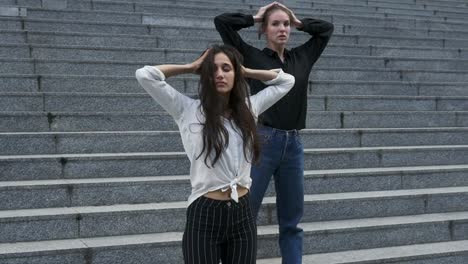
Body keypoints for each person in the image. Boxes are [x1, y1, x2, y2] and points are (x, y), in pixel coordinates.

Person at [135, 45, 295, 264]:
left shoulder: (250, 107)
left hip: (242, 215)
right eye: (212, 69)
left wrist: (246, 71)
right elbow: (145, 75)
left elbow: (287, 80)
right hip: (204, 215)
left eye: (226, 68)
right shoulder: (187, 109)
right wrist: (190, 67)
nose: (219, 74)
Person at [215, 2, 334, 263]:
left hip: (293, 146)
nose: (283, 28)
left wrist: (299, 21)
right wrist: (256, 16)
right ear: (265, 30)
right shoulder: (250, 56)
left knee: (292, 222)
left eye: (286, 24)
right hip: (262, 142)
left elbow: (326, 30)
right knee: (245, 216)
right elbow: (222, 22)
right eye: (275, 24)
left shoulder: (302, 57)